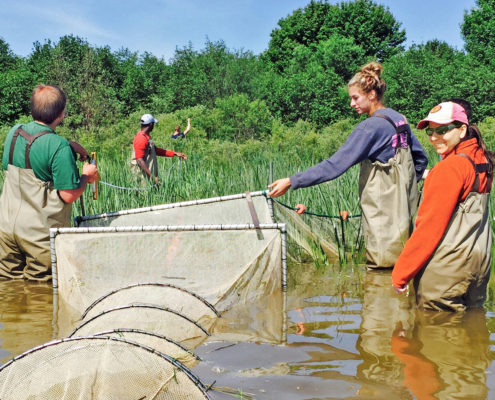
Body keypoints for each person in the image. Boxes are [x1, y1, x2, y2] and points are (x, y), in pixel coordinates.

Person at [268, 62, 428, 268]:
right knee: (406, 264)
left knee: (383, 268)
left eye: (355, 98)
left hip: (383, 215)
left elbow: (334, 166)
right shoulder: (400, 119)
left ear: (372, 95)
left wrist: (292, 181)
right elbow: (420, 159)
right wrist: (404, 186)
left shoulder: (369, 128)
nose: (352, 104)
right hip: (407, 212)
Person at [392, 100, 493, 311]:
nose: (434, 137)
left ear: (462, 129)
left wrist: (401, 273)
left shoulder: (449, 168)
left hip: (447, 269)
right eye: (431, 131)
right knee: (472, 331)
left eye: (443, 130)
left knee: (435, 334)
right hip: (480, 265)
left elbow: (428, 228)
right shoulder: (481, 160)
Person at [0, 84, 99, 281]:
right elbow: (68, 195)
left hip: (6, 228)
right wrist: (87, 175)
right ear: (61, 114)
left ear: (33, 109)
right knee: (40, 289)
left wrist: (69, 145)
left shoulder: (15, 132)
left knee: (8, 284)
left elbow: (20, 160)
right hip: (38, 235)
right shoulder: (58, 146)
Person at [131, 113, 187, 185]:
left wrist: (175, 153)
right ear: (151, 124)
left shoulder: (146, 136)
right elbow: (139, 160)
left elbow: (156, 151)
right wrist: (152, 177)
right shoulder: (141, 138)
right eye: (153, 124)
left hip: (148, 174)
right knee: (144, 194)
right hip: (142, 175)